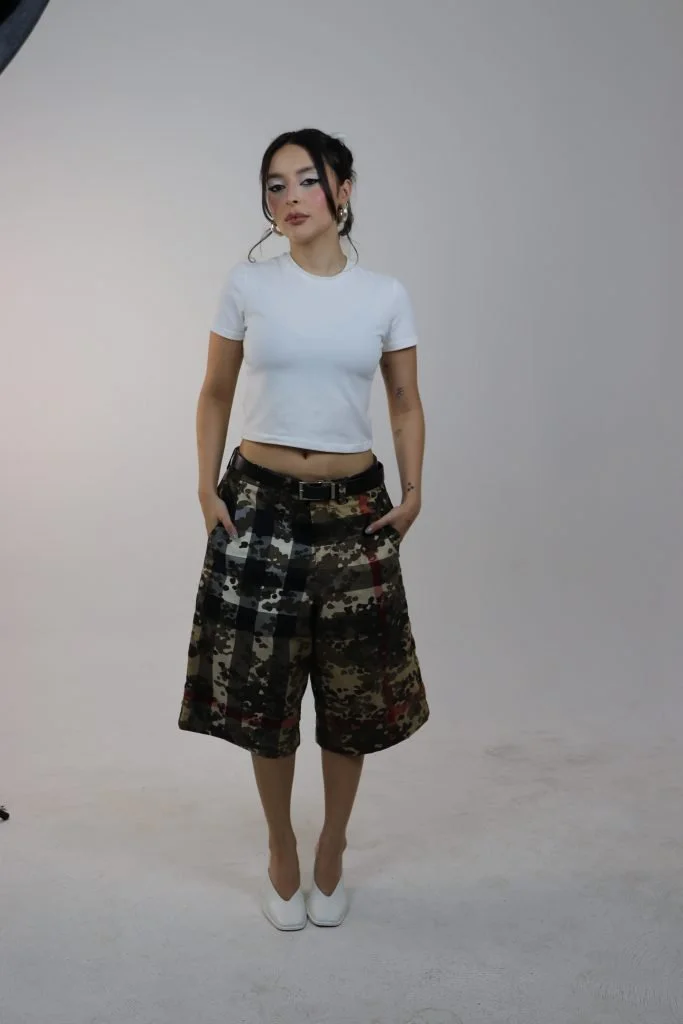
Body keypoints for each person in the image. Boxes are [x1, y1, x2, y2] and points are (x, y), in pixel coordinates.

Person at [178, 128, 429, 931]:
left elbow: (403, 401)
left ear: (343, 190)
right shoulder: (248, 284)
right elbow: (215, 391)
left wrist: (413, 491)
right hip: (258, 506)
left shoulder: (383, 294)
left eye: (307, 181)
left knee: (351, 697)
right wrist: (205, 489)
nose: (289, 198)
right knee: (265, 694)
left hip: (355, 512)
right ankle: (281, 849)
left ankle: (333, 847)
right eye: (275, 185)